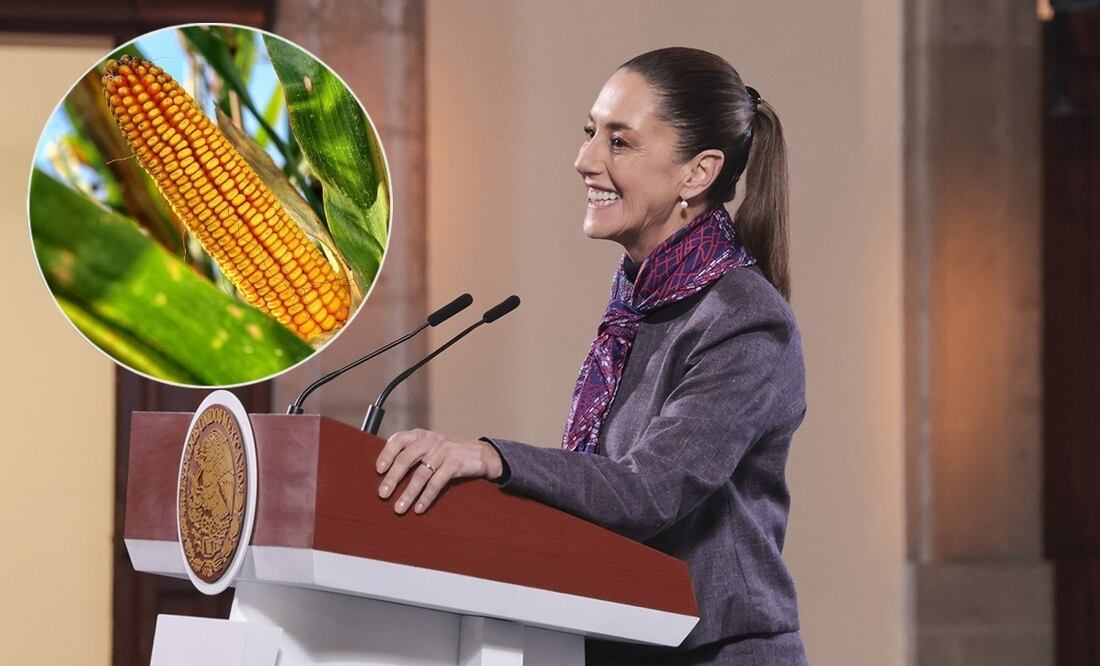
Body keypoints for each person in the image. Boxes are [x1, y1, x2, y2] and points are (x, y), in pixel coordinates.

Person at [374, 46, 807, 665]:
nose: (585, 160)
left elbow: (651, 489)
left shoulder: (744, 319)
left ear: (697, 172)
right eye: (589, 133)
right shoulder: (639, 300)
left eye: (619, 142)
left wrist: (491, 458)